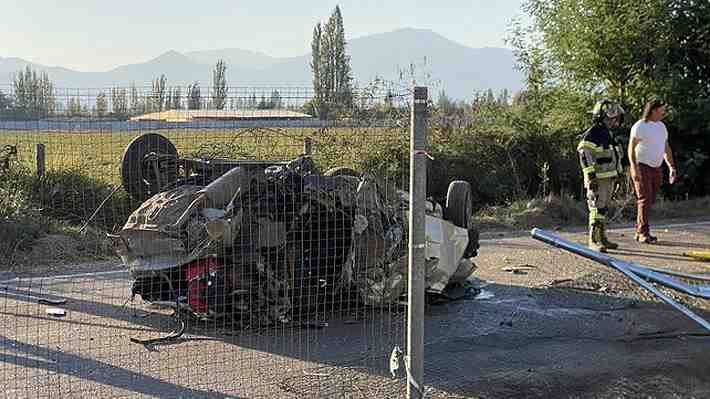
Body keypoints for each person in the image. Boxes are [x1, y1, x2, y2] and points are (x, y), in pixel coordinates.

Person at [577, 99, 626, 252]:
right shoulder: (593, 133)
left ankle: (602, 238)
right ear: (600, 117)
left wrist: (619, 174)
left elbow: (615, 156)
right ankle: (594, 240)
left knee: (603, 209)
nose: (613, 121)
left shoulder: (608, 134)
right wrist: (591, 177)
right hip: (597, 179)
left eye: (614, 118)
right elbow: (584, 154)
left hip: (608, 178)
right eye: (610, 118)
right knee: (596, 209)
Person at [628, 97, 676, 243]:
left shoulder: (661, 127)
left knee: (650, 199)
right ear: (654, 110)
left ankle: (639, 230)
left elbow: (665, 148)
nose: (664, 112)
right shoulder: (640, 126)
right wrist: (634, 168)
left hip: (656, 167)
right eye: (662, 110)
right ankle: (643, 233)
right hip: (642, 166)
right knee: (645, 198)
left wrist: (671, 167)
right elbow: (631, 148)